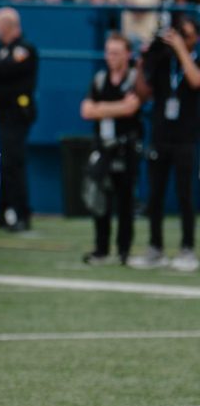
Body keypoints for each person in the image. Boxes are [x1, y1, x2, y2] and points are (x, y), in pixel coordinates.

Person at [129, 18, 200, 270]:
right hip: (160, 135)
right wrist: (141, 64)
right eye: (178, 34)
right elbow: (143, 93)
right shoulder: (163, 61)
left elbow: (195, 80)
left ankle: (187, 248)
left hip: (186, 138)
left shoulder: (192, 60)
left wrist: (181, 50)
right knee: (155, 195)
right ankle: (155, 247)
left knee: (185, 195)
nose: (180, 38)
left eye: (187, 34)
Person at [80, 33, 141, 266]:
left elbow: (131, 108)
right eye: (108, 52)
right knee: (99, 198)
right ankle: (101, 248)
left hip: (126, 146)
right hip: (103, 145)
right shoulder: (100, 79)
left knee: (125, 200)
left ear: (128, 54)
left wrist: (101, 108)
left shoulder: (134, 78)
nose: (111, 57)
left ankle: (124, 250)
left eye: (116, 52)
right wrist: (113, 107)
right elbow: (86, 110)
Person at [0, 7, 39, 231]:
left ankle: (21, 213)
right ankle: (0, 212)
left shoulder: (24, 49)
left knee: (13, 164)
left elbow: (1, 69)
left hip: (15, 116)